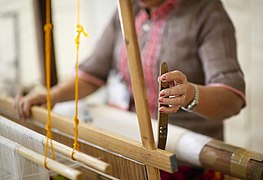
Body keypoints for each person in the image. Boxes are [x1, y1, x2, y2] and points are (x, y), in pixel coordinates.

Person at [14, 0, 246, 178]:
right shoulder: (128, 8)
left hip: (184, 160)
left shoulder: (207, 12)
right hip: (132, 146)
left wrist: (190, 94)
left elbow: (232, 97)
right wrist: (51, 96)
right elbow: (93, 73)